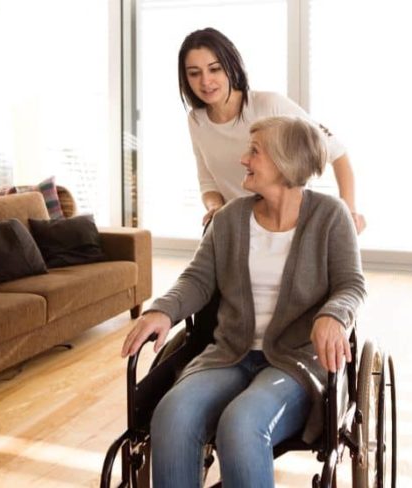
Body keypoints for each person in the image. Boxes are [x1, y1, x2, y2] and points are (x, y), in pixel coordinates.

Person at [121, 116, 366, 488]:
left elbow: (351, 285)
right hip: (230, 354)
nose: (243, 160)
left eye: (255, 152)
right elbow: (197, 280)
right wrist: (163, 309)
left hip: (296, 364)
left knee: (242, 423)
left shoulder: (331, 217)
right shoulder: (230, 219)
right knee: (171, 414)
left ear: (286, 162)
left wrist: (332, 315)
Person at [178, 27, 366, 233]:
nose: (205, 81)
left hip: (287, 226)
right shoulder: (196, 120)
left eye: (214, 69)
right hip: (238, 228)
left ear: (231, 66)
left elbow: (337, 153)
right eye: (194, 73)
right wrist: (216, 209)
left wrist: (348, 212)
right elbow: (208, 183)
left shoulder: (269, 105)